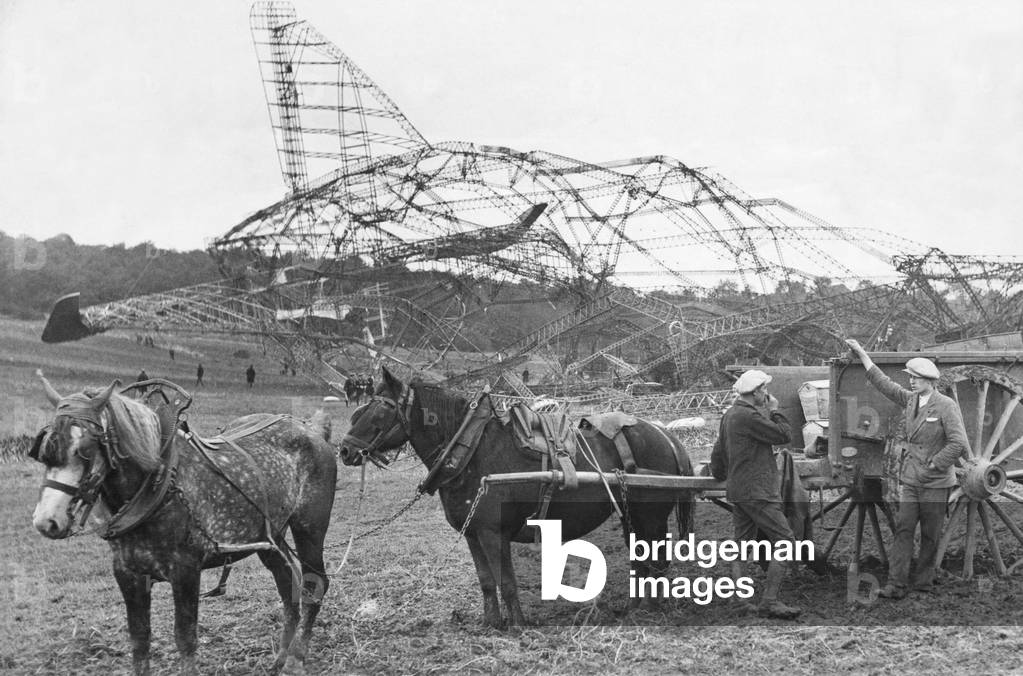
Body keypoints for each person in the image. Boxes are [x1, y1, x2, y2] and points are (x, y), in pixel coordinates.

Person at [845, 339, 968, 599]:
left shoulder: (946, 405)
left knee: (930, 535)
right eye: (910, 378)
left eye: (916, 378)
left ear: (929, 381)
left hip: (936, 482)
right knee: (903, 530)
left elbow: (958, 442)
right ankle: (896, 584)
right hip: (911, 480)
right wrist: (862, 354)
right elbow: (884, 384)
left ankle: (923, 582)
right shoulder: (911, 400)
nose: (911, 381)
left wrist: (936, 463)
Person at [710, 369, 801, 619]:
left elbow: (718, 452)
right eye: (765, 391)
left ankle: (740, 600)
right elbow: (784, 435)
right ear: (758, 391)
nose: (767, 395)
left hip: (739, 490)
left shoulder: (729, 415)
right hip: (758, 491)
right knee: (786, 542)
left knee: (741, 546)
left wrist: (718, 474)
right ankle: (769, 601)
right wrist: (774, 409)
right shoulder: (749, 416)